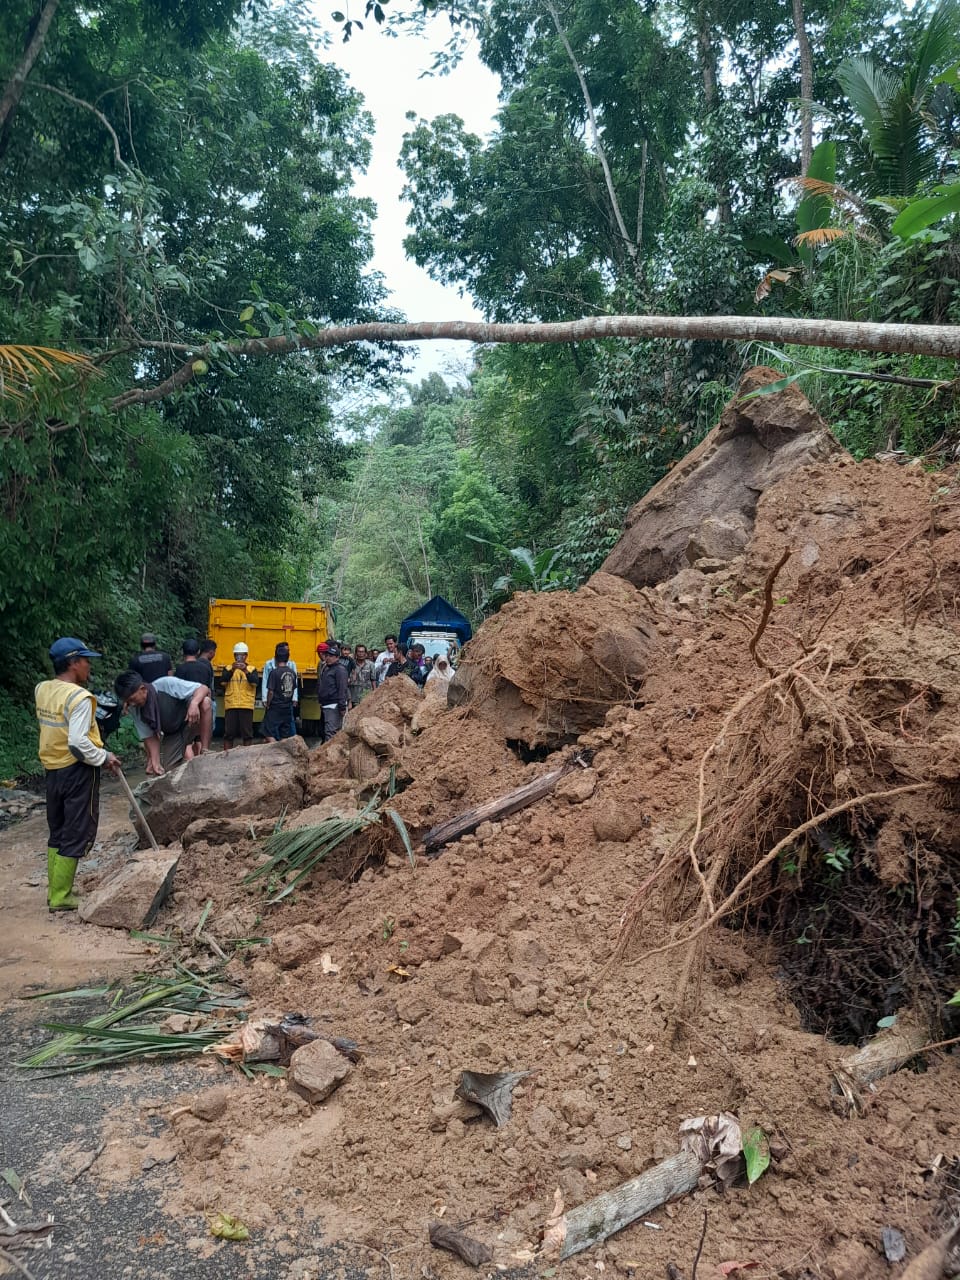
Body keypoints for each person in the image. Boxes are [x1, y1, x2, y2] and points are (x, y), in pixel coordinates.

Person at [36, 638, 121, 912]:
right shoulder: (80, 698)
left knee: (58, 828)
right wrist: (104, 757)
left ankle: (54, 892)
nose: (88, 666)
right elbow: (77, 742)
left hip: (53, 768)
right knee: (76, 830)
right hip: (76, 770)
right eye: (85, 660)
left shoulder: (42, 689)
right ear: (73, 663)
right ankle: (61, 896)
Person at [115, 670, 211, 774]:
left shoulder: (166, 684)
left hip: (191, 720)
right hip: (173, 732)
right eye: (128, 702)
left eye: (132, 699)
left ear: (142, 689)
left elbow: (203, 688)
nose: (132, 704)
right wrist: (155, 762)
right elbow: (149, 736)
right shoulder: (134, 708)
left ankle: (205, 750)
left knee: (205, 702)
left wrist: (194, 703)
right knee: (170, 771)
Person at [175, 639, 215, 752]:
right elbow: (208, 691)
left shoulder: (180, 669)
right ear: (198, 652)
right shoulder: (205, 668)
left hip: (187, 709)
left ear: (183, 652)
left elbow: (178, 691)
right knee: (199, 738)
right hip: (203, 708)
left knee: (188, 741)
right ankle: (205, 748)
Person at [222, 642, 258, 751]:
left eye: (242, 655)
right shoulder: (228, 668)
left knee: (247, 734)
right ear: (234, 656)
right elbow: (223, 682)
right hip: (231, 704)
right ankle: (226, 756)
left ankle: (246, 755)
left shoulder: (252, 669)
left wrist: (245, 670)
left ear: (246, 656)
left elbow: (255, 683)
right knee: (229, 733)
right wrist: (232, 670)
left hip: (246, 704)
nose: (240, 658)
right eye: (237, 655)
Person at [262, 643, 298, 742]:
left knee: (268, 732)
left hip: (275, 707)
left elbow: (270, 692)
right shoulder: (292, 673)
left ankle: (275, 749)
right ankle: (283, 751)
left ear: (276, 658)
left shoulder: (274, 673)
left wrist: (268, 703)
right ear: (288, 658)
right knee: (284, 735)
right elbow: (293, 688)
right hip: (287, 707)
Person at [317, 641, 349, 740]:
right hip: (327, 705)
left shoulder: (340, 670)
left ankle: (331, 750)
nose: (328, 658)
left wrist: (342, 706)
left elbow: (342, 689)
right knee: (328, 731)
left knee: (331, 732)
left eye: (331, 656)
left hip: (334, 705)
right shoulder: (327, 668)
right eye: (327, 655)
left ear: (337, 657)